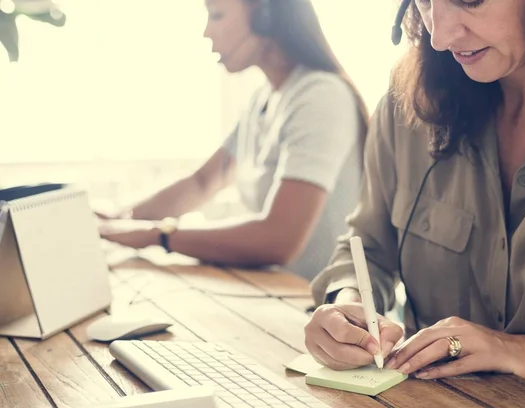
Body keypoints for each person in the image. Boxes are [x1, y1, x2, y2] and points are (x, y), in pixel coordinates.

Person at [305, 0, 525, 403]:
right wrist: (346, 303)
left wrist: (521, 352)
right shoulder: (406, 108)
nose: (439, 36)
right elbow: (367, 247)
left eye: (469, 1)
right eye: (425, 2)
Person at [98, 0, 368, 280]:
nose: (206, 32)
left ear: (265, 17)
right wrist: (120, 220)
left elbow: (279, 239)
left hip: (321, 308)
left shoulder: (320, 96)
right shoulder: (263, 98)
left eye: (217, 15)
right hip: (272, 292)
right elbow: (202, 182)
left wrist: (157, 235)